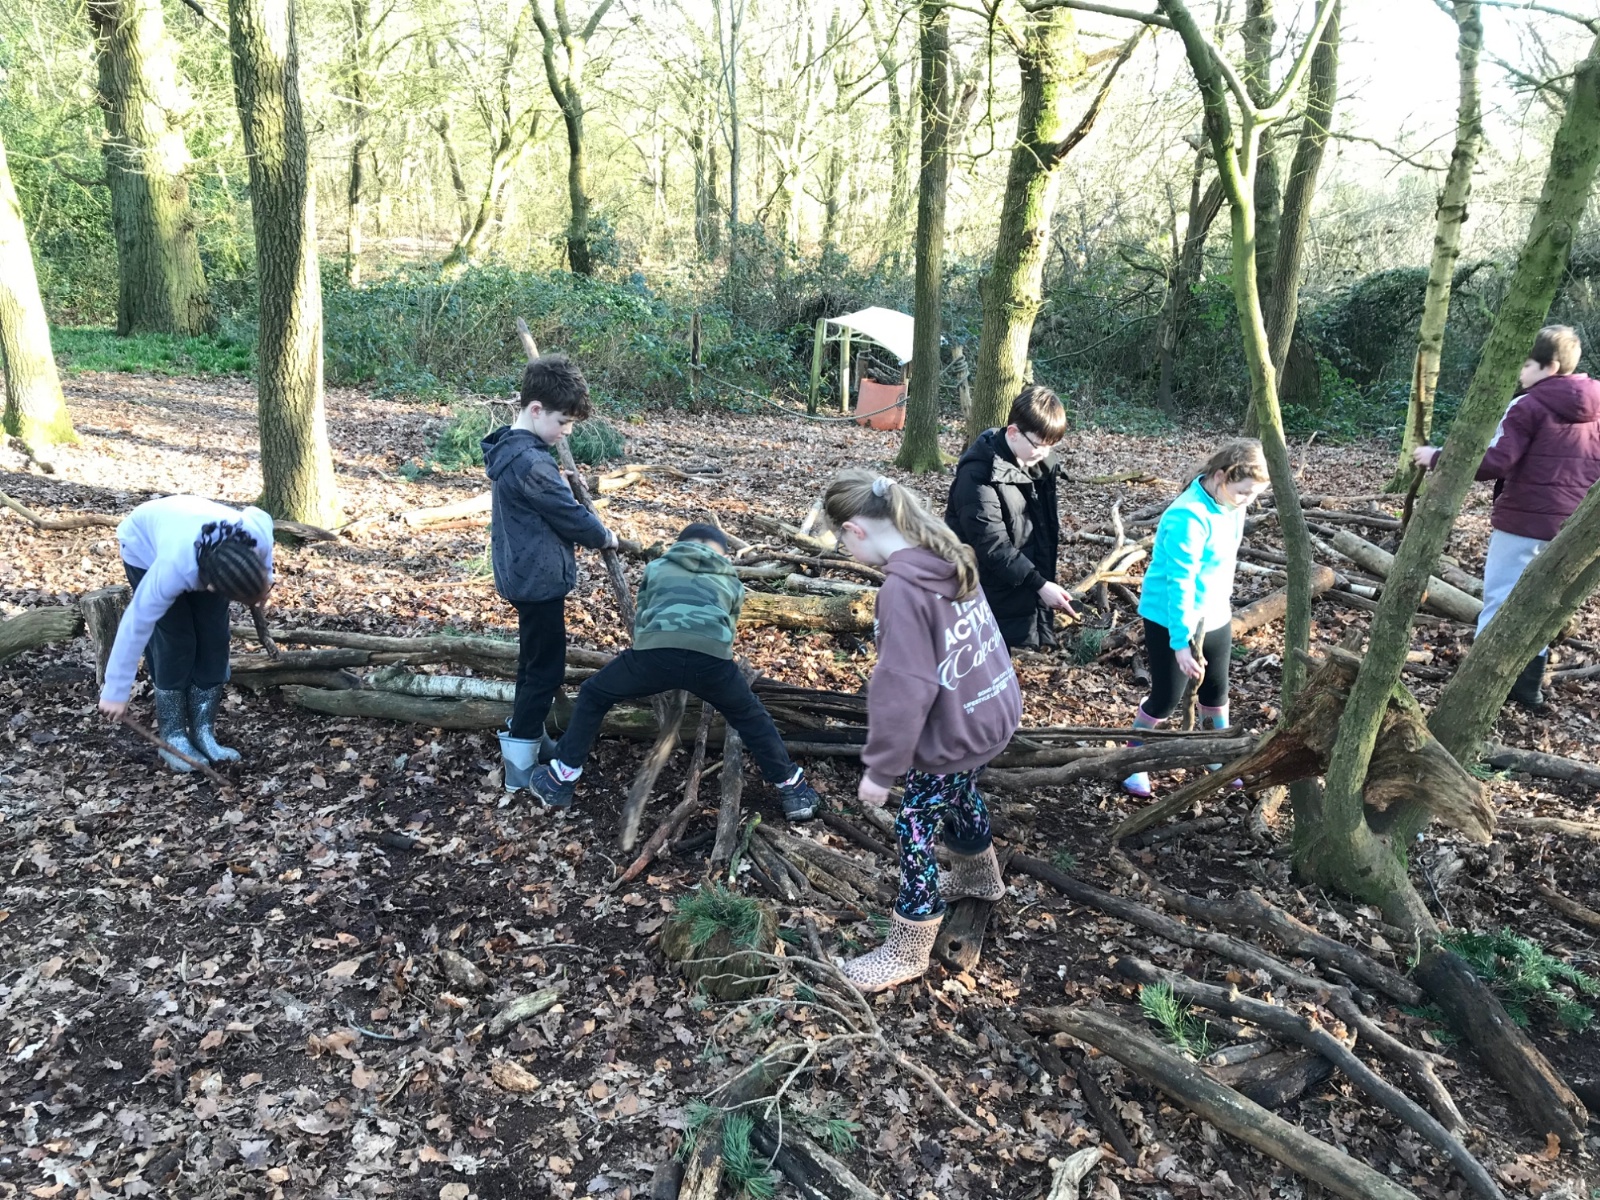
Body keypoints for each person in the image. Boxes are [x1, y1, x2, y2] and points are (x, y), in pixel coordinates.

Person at [823, 471, 1022, 993]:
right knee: (960, 788)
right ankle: (980, 877)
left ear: (855, 530)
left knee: (914, 823)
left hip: (957, 729)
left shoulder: (901, 591)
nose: (846, 551)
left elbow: (904, 687)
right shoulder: (945, 552)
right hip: (992, 710)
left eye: (843, 542)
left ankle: (907, 947)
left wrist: (881, 767)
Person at [528, 523, 823, 821]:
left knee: (594, 694)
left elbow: (643, 615)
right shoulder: (731, 579)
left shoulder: (657, 567)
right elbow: (729, 626)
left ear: (679, 546)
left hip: (654, 655)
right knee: (750, 715)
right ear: (723, 554)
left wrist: (651, 653)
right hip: (711, 660)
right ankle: (793, 789)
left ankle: (560, 779)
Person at [1413, 324, 1600, 709]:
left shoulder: (1528, 405)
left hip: (1523, 521)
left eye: (1526, 365)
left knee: (1499, 600)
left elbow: (1497, 461)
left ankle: (1474, 691)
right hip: (1574, 526)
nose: (1520, 373)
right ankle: (1527, 689)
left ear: (1549, 366)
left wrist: (1437, 458)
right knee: (1542, 604)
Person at [483, 353, 618, 793]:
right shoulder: (530, 463)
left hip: (524, 573)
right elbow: (567, 514)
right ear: (536, 410)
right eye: (563, 422)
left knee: (533, 662)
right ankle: (520, 762)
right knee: (546, 668)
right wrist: (604, 535)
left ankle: (529, 735)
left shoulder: (516, 452)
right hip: (537, 580)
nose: (567, 431)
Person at [1123, 441, 1270, 798]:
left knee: (1215, 692)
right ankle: (1132, 759)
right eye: (1243, 492)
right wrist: (1180, 643)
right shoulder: (1187, 517)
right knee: (1166, 697)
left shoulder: (1232, 505)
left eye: (1255, 494)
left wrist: (1218, 607)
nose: (1248, 501)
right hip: (1169, 615)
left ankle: (1216, 755)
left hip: (1214, 613)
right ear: (1220, 477)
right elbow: (1181, 584)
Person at [97, 496, 274, 772]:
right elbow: (136, 622)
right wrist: (115, 691)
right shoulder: (171, 570)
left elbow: (261, 515)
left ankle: (203, 731)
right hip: (145, 548)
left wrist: (267, 581)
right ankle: (174, 736)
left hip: (193, 528)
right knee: (175, 640)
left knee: (215, 637)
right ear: (212, 587)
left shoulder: (255, 535)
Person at [945, 384, 1076, 650]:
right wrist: (1039, 585)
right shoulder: (977, 476)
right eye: (1039, 445)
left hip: (1020, 590)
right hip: (985, 594)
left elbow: (1040, 535)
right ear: (1014, 433)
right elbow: (993, 546)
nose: (1046, 453)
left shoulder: (1037, 463)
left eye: (1051, 445)